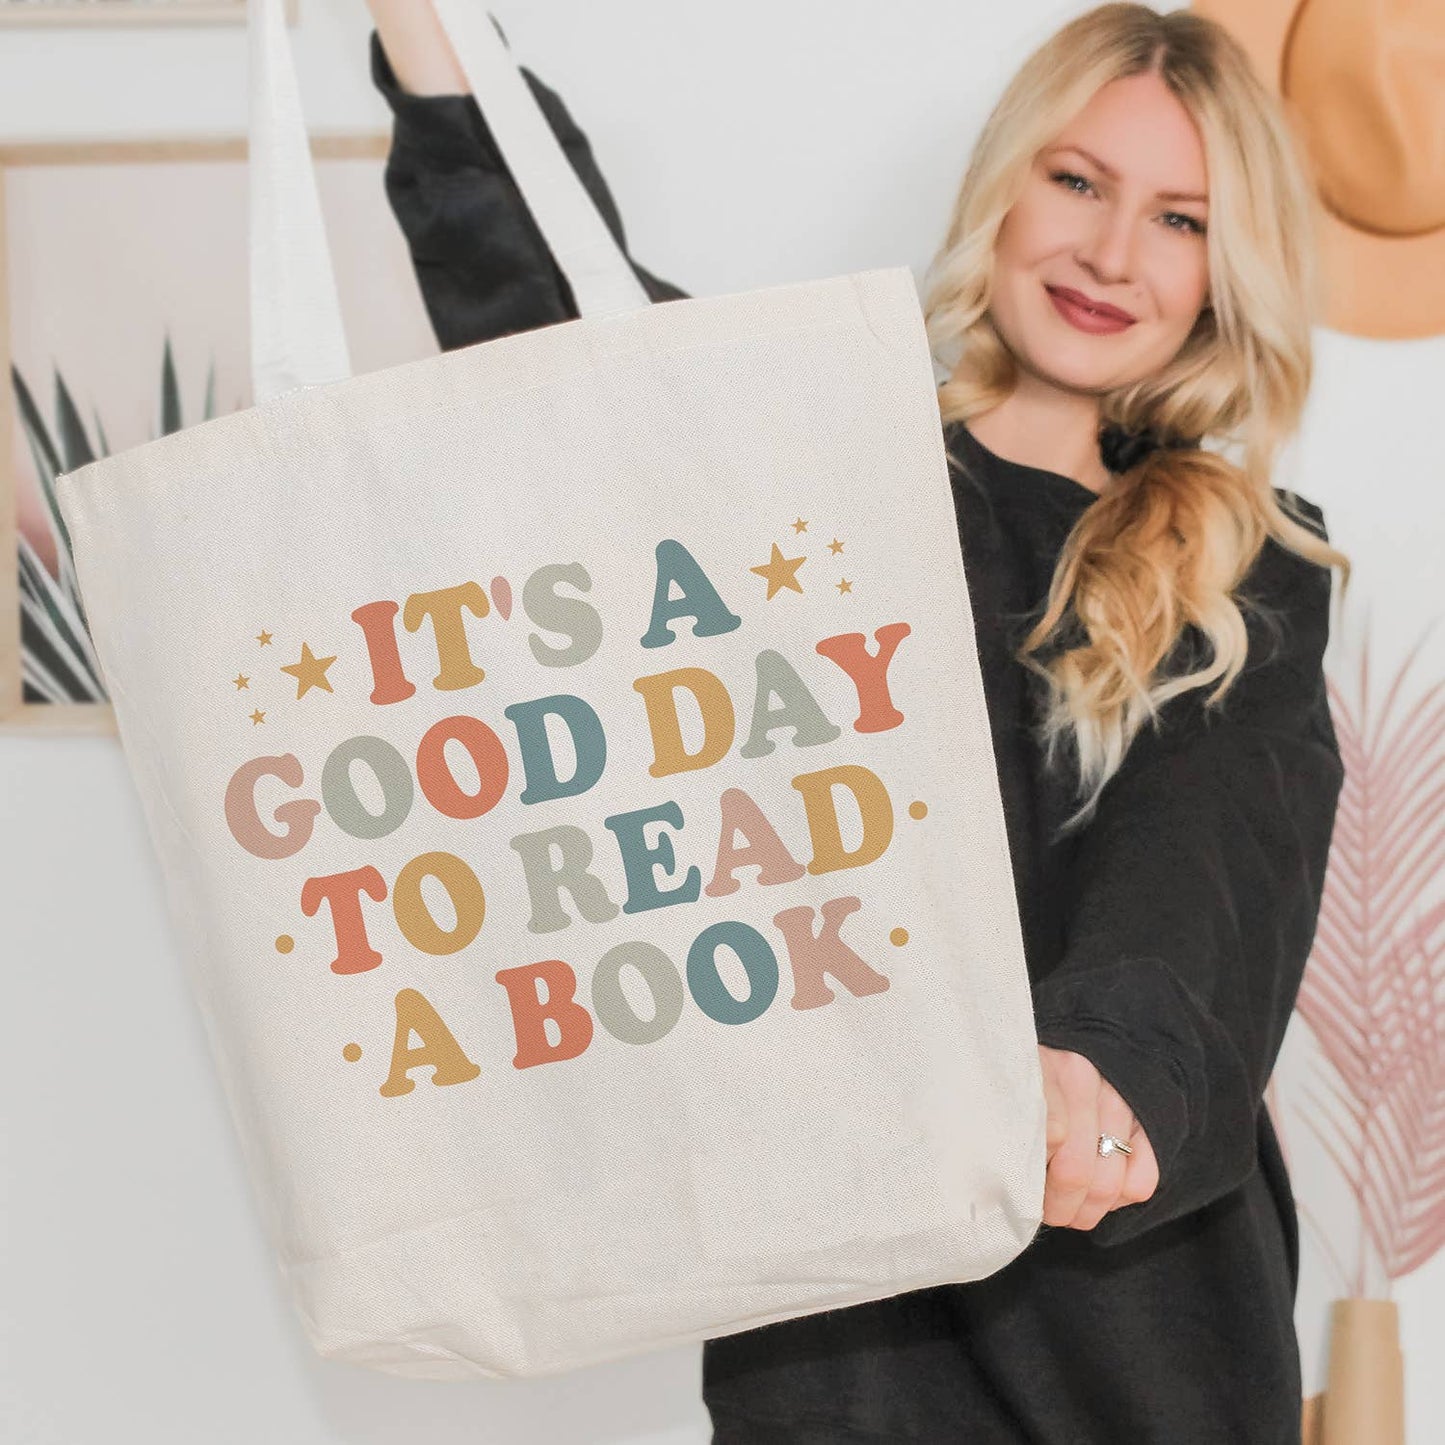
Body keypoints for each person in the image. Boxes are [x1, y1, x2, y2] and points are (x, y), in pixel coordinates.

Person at [361, 3, 1352, 1439]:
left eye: (1179, 219)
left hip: (1128, 1338)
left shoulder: (1246, 564)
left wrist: (1102, 1063)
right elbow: (578, 336)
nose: (1109, 252)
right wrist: (425, 33)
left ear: (1222, 269)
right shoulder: (811, 468)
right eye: (1077, 180)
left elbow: (1209, 858)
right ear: (1006, 184)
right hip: (840, 1337)